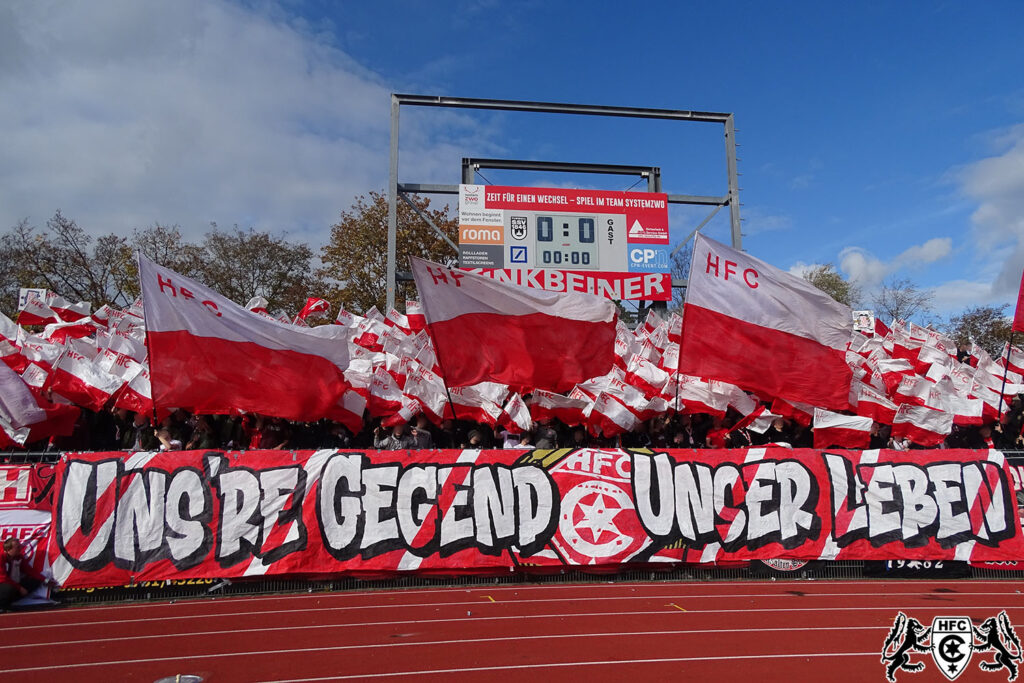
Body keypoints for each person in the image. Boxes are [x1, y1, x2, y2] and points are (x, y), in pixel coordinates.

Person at [0, 538, 46, 612]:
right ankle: (2, 605)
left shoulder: (18, 557)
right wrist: (20, 588)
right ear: (9, 549)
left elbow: (29, 570)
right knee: (9, 588)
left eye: (20, 546)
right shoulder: (1, 557)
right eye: (17, 547)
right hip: (3, 583)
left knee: (34, 581)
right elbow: (2, 578)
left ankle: (8, 603)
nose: (20, 548)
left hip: (11, 582)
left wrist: (45, 580)